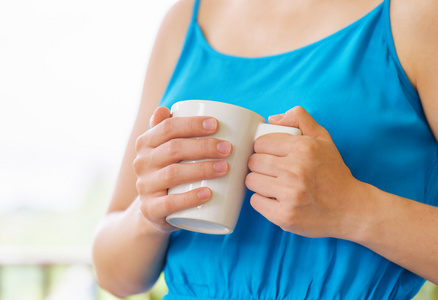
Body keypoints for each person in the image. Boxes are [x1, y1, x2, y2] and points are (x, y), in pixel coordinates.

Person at [92, 0, 438, 298]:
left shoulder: (419, 15)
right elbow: (113, 275)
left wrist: (351, 208)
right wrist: (150, 213)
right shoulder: (185, 20)